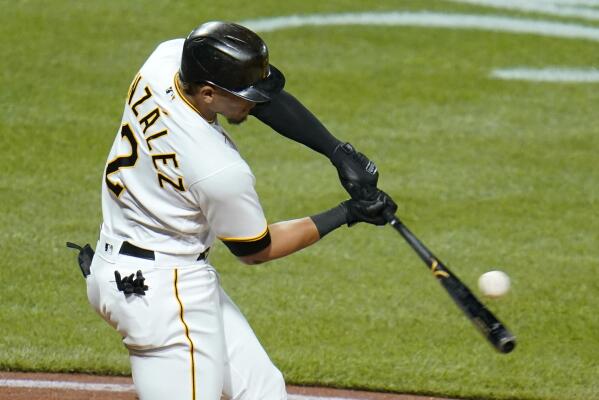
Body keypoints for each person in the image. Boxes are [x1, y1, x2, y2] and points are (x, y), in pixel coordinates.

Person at [84, 21, 396, 400]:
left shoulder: (163, 63)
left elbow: (261, 97)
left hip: (129, 258)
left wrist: (336, 152)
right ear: (209, 93)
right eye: (245, 95)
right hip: (163, 294)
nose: (254, 103)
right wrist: (348, 213)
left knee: (263, 392)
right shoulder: (217, 169)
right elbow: (256, 249)